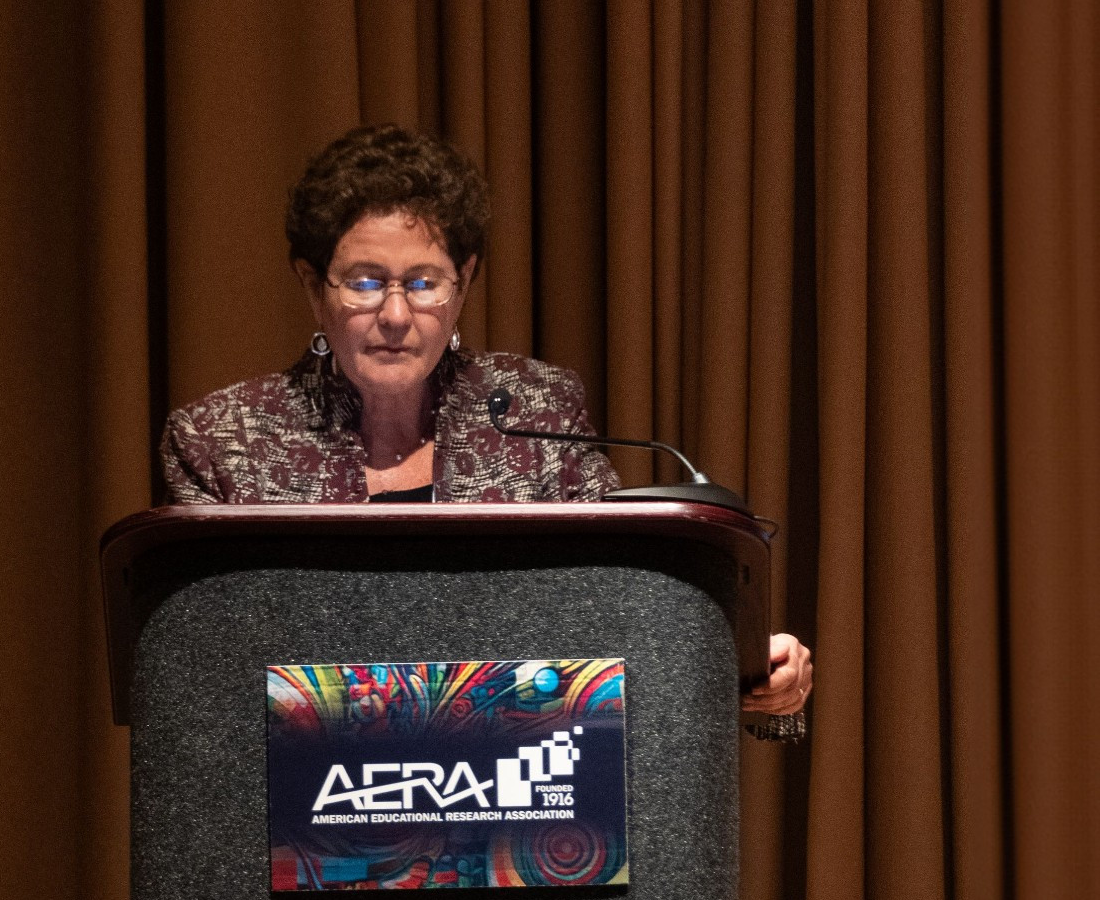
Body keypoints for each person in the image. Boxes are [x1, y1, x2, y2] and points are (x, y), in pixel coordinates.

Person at [161, 124, 811, 724]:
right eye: (363, 282)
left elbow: (622, 609)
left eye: (422, 283)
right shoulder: (221, 444)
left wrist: (745, 664)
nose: (394, 314)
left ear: (463, 282)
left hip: (519, 792)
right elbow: (196, 680)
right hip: (303, 809)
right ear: (312, 286)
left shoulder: (535, 409)